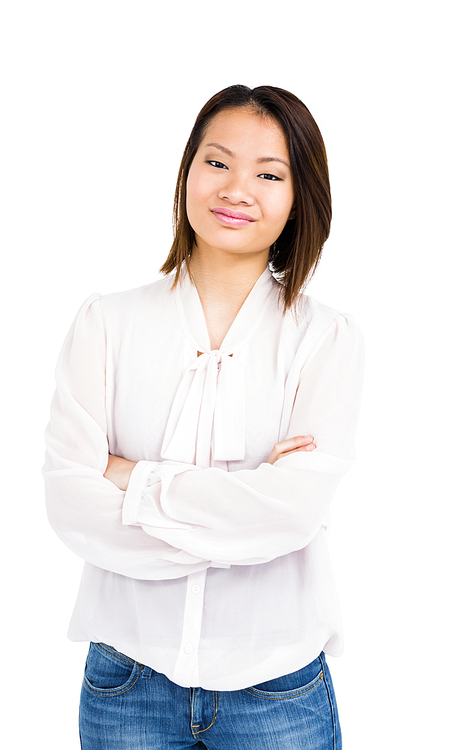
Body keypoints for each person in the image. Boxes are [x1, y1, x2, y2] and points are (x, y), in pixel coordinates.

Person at [43, 84, 364, 749]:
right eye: (217, 162)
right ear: (187, 171)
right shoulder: (107, 322)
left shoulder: (326, 338)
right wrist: (241, 510)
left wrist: (131, 477)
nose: (236, 188)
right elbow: (70, 502)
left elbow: (292, 514)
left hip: (277, 684)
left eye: (269, 174)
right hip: (127, 677)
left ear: (299, 195)